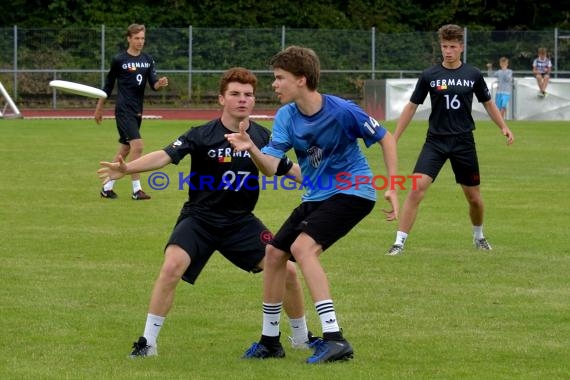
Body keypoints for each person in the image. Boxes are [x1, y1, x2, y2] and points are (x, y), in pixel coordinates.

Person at [97, 67, 314, 358]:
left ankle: (301, 337)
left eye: (248, 95)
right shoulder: (201, 134)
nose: (242, 100)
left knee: (286, 269)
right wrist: (127, 169)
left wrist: (326, 185)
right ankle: (147, 343)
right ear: (221, 99)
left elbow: (285, 168)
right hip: (199, 218)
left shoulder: (263, 137)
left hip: (240, 222)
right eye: (235, 94)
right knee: (172, 266)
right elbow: (164, 155)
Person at [225, 46, 399, 364]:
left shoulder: (343, 110)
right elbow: (269, 166)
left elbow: (386, 138)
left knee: (304, 250)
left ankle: (334, 338)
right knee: (274, 254)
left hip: (353, 191)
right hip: (316, 196)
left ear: (301, 80)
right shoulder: (287, 116)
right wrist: (250, 147)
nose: (274, 84)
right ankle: (269, 341)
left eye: (280, 78)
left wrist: (392, 187)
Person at [385, 24, 515, 257]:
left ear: (461, 47)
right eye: (445, 46)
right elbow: (411, 106)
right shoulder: (430, 76)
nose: (448, 51)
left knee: (474, 198)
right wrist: (393, 137)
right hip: (435, 141)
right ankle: (399, 243)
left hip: (464, 142)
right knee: (416, 189)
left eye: (453, 47)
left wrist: (503, 126)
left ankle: (479, 236)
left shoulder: (473, 74)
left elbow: (487, 102)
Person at [95, 23, 169, 200]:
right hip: (123, 109)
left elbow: (153, 84)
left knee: (125, 149)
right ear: (129, 39)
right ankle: (137, 190)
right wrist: (99, 108)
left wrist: (160, 83)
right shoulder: (119, 60)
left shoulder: (148, 59)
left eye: (142, 38)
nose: (140, 42)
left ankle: (107, 187)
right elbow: (108, 86)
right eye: (136, 38)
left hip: (137, 110)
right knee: (138, 146)